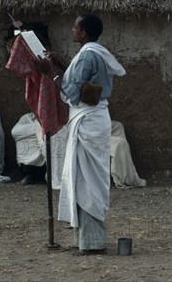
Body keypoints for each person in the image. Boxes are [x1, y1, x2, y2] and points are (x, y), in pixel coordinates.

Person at [37, 13, 125, 255]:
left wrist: (49, 71)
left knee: (86, 181)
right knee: (84, 179)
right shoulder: (94, 52)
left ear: (84, 32)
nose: (72, 29)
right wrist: (62, 64)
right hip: (93, 119)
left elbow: (73, 94)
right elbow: (84, 82)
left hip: (88, 120)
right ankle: (85, 240)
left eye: (75, 27)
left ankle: (93, 243)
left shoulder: (87, 55)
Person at [12, 115, 145, 189]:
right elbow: (16, 131)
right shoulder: (29, 119)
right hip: (70, 136)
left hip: (81, 129)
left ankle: (117, 173)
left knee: (117, 130)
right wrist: (39, 123)